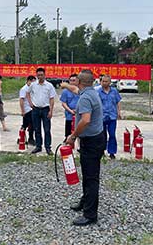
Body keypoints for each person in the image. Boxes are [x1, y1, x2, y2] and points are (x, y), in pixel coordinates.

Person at [64, 70, 105, 226]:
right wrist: (66, 85)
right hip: (95, 139)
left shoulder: (86, 98)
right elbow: (75, 90)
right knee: (88, 175)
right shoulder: (91, 92)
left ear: (79, 82)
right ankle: (85, 201)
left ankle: (90, 214)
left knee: (91, 178)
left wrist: (73, 136)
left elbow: (85, 120)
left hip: (91, 142)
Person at [27, 67, 57, 155]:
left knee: (47, 129)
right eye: (38, 75)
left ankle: (48, 147)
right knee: (37, 129)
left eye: (42, 75)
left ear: (45, 75)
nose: (40, 76)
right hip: (35, 109)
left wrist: (51, 111)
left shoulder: (49, 85)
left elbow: (52, 99)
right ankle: (38, 146)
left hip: (45, 109)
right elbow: (28, 93)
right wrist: (30, 103)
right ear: (36, 75)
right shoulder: (33, 85)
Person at [97, 75, 122, 159]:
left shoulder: (114, 91)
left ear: (110, 82)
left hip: (112, 116)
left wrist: (119, 112)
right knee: (102, 135)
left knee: (112, 134)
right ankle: (101, 151)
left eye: (106, 81)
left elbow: (118, 101)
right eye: (103, 81)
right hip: (101, 117)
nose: (104, 83)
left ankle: (111, 152)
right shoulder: (98, 92)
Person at [60, 74, 81, 140]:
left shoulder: (81, 91)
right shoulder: (65, 91)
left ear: (78, 81)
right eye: (70, 80)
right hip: (69, 114)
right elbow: (63, 103)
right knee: (68, 132)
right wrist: (70, 111)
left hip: (80, 114)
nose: (72, 82)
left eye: (74, 80)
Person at [20, 75, 36, 145]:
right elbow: (21, 100)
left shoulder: (32, 89)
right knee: (31, 124)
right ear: (28, 81)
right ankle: (30, 139)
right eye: (32, 82)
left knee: (26, 124)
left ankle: (22, 138)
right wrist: (22, 111)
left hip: (32, 109)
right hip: (27, 110)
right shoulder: (24, 89)